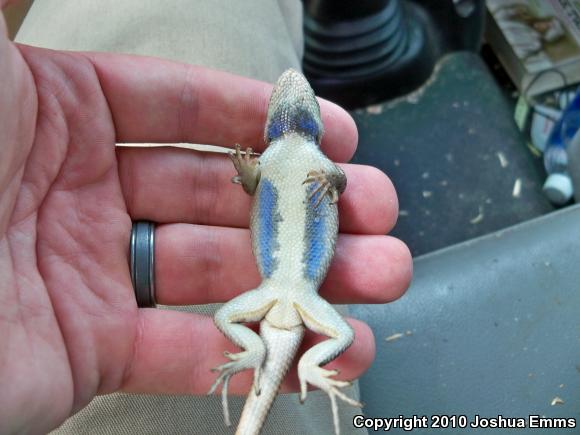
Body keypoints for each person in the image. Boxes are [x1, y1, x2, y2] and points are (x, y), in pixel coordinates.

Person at [1, 1, 412, 433]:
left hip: (287, 292)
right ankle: (263, 356)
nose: (291, 94)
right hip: (282, 292)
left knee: (329, 334)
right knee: (319, 332)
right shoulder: (283, 158)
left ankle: (305, 365)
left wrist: (287, 177)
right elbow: (266, 185)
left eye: (302, 98)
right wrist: (247, 171)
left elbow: (336, 182)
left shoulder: (313, 160)